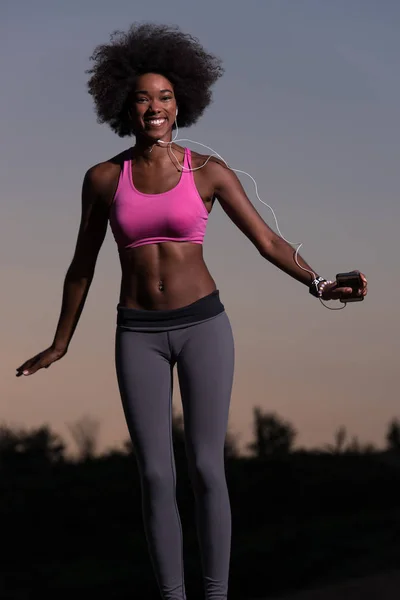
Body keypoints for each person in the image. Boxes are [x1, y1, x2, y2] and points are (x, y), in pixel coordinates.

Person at [16, 23, 367, 600]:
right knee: (155, 475)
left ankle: (216, 593)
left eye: (165, 97)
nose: (154, 107)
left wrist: (320, 283)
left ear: (182, 106)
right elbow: (82, 264)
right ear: (123, 106)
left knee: (206, 468)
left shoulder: (208, 172)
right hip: (138, 335)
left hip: (204, 325)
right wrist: (61, 342)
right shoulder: (104, 178)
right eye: (142, 98)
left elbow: (269, 242)